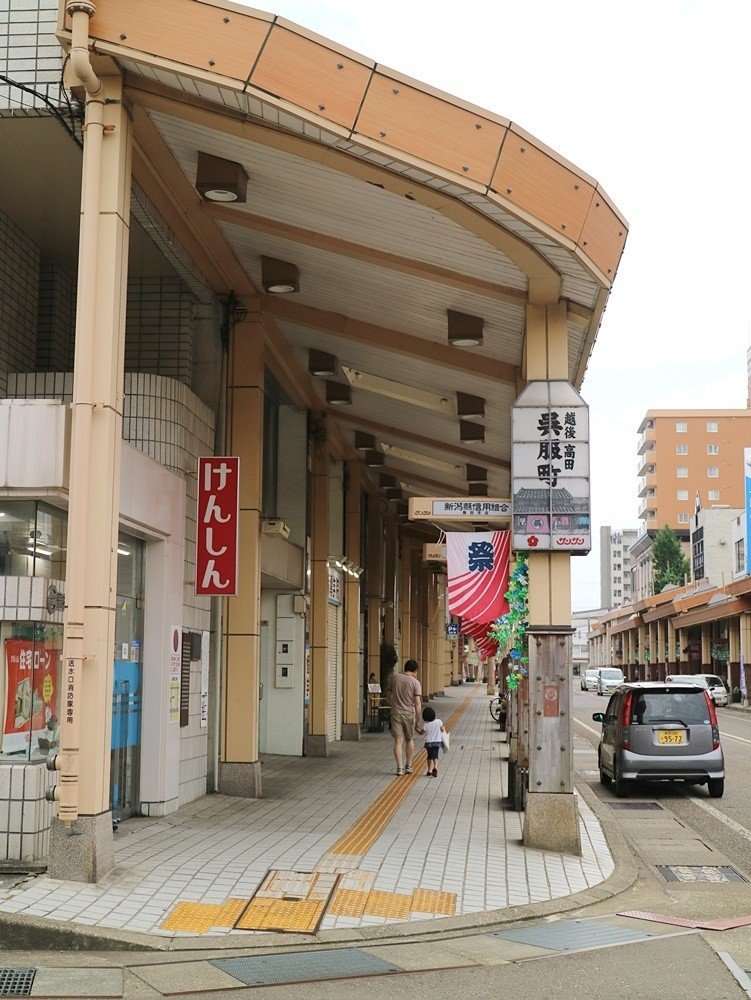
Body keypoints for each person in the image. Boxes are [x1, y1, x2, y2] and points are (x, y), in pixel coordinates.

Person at [387, 659, 423, 776]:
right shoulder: (415, 682)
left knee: (398, 741)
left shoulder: (395, 678)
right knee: (409, 739)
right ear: (415, 670)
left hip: (396, 713)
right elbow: (417, 703)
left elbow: (388, 694)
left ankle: (399, 768)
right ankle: (409, 765)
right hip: (409, 714)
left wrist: (392, 705)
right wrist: (418, 720)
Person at [421, 705, 446, 778]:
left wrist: (416, 729)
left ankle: (429, 770)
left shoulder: (426, 725)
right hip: (437, 742)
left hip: (429, 743)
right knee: (435, 756)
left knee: (429, 756)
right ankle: (435, 766)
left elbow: (421, 733)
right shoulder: (439, 721)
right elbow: (443, 730)